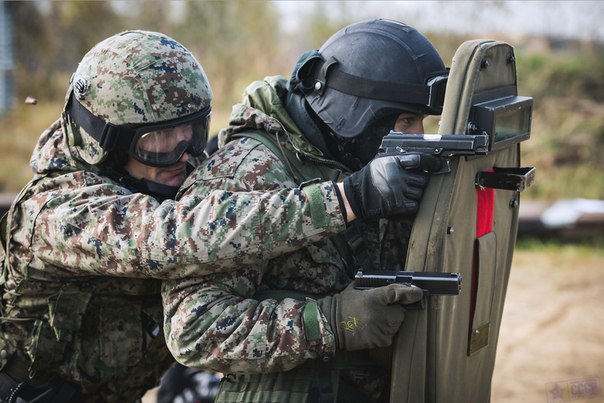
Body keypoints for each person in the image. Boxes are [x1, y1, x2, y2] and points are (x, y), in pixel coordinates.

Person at [0, 29, 437, 402]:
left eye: (193, 131)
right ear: (105, 143)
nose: (186, 155)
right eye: (160, 141)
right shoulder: (58, 212)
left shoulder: (160, 176)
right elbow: (177, 238)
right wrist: (347, 198)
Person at [162, 19, 447, 402]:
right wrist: (330, 322)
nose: (417, 137)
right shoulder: (245, 173)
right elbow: (194, 331)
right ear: (356, 113)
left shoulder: (356, 159)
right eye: (406, 121)